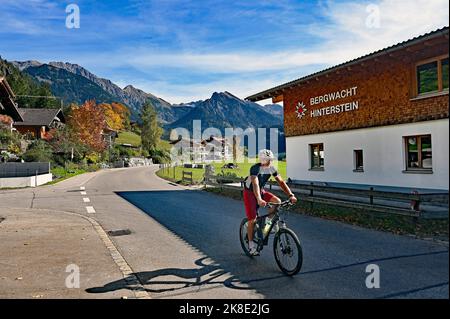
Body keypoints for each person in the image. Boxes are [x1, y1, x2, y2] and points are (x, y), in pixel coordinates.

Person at [243, 149, 297, 256]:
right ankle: (250, 245)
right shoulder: (255, 168)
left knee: (277, 201)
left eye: (271, 160)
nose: (270, 162)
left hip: (260, 191)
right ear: (263, 160)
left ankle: (267, 222)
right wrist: (259, 199)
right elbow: (255, 184)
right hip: (250, 193)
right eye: (268, 160)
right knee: (252, 220)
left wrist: (291, 195)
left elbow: (281, 182)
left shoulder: (271, 168)